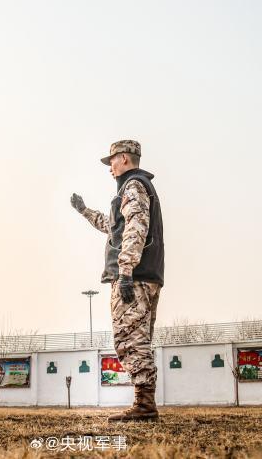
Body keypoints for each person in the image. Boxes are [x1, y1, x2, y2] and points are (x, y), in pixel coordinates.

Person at [71, 139, 164, 421]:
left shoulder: (134, 186)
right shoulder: (132, 188)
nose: (109, 167)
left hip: (133, 277)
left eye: (111, 160)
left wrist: (125, 272)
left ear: (123, 158)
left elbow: (135, 229)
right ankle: (144, 403)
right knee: (137, 338)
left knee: (130, 339)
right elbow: (114, 227)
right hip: (143, 275)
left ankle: (145, 406)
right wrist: (84, 211)